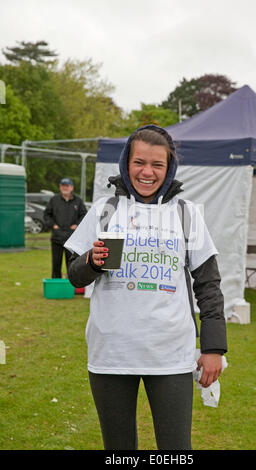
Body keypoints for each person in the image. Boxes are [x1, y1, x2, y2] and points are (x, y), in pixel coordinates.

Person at [64, 125, 227, 450]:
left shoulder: (186, 214)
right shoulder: (105, 209)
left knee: (176, 449)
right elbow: (74, 275)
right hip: (111, 352)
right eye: (139, 162)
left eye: (157, 164)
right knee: (119, 449)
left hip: (171, 354)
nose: (147, 172)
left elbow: (208, 285)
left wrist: (213, 348)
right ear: (126, 163)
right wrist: (92, 262)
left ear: (169, 168)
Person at [44, 177, 87, 278]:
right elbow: (46, 215)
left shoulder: (78, 201)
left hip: (72, 239)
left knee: (72, 264)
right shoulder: (54, 200)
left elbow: (84, 215)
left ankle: (72, 285)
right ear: (60, 187)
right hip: (57, 238)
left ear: (71, 187)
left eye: (67, 186)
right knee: (56, 264)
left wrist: (77, 225)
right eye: (62, 186)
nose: (64, 188)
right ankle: (55, 286)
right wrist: (53, 225)